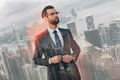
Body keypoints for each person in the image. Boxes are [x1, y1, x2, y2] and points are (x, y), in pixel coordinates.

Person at [33, 5, 81, 80]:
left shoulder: (66, 32)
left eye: (56, 13)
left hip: (73, 75)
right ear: (45, 18)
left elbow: (77, 49)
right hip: (55, 76)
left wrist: (72, 57)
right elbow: (36, 59)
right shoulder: (40, 38)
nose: (56, 15)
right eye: (52, 14)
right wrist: (51, 60)